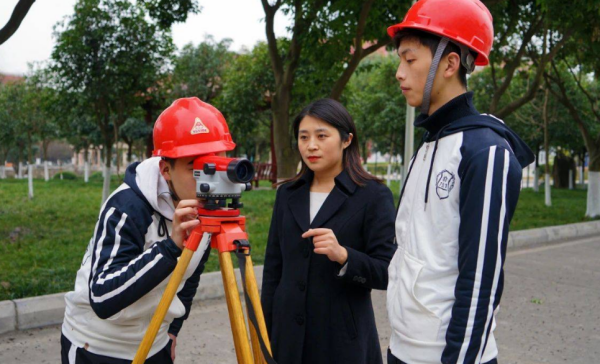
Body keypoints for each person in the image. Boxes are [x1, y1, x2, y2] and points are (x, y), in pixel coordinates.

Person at [385, 1, 535, 363]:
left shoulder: (486, 151)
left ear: (449, 63)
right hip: (402, 349)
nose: (399, 73)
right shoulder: (429, 145)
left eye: (409, 59)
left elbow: (481, 280)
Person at [61, 97, 237, 363]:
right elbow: (102, 297)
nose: (209, 181)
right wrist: (170, 248)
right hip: (97, 347)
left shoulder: (205, 210)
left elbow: (189, 278)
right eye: (196, 169)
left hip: (156, 343)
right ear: (166, 169)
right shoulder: (127, 206)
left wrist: (173, 331)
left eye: (215, 165)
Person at [261, 98, 397, 364]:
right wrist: (264, 334)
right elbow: (273, 271)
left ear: (346, 140)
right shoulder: (287, 194)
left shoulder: (373, 195)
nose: (311, 145)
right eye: (304, 137)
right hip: (286, 339)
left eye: (322, 136)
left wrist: (345, 256)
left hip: (340, 341)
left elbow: (387, 271)